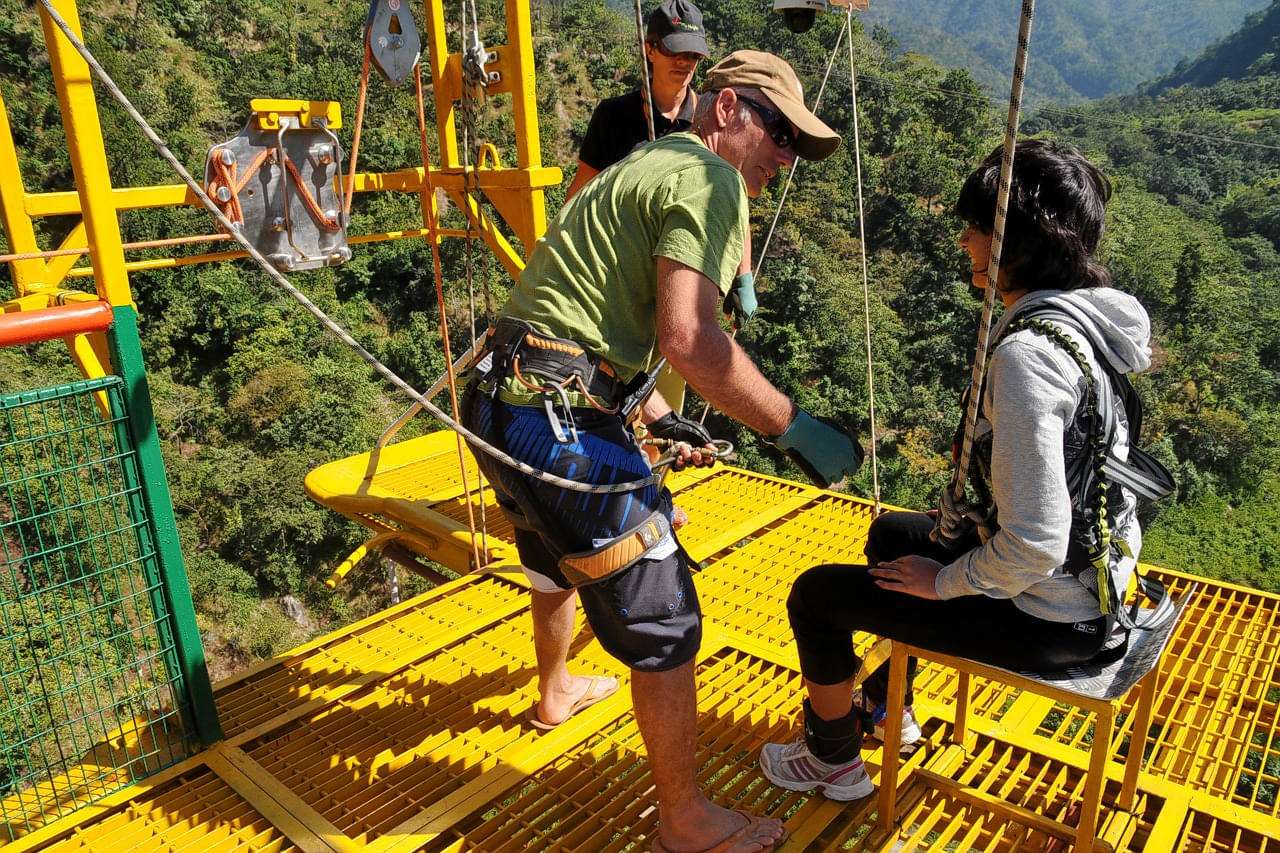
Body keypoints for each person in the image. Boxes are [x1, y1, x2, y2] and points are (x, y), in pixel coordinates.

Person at [461, 50, 860, 853]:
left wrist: (643, 411)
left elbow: (591, 313)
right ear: (726, 112)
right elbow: (689, 338)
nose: (784, 157)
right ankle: (685, 822)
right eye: (778, 132)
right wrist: (793, 426)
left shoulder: (643, 163)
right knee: (665, 611)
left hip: (499, 399)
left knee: (552, 546)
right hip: (557, 411)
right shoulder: (710, 183)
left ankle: (556, 689)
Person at [760, 139, 1156, 801]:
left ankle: (830, 759)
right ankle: (890, 710)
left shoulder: (1028, 355)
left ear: (1017, 242)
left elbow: (1034, 542)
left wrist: (945, 581)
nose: (965, 242)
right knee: (891, 535)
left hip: (1049, 617)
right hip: (1098, 588)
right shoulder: (1087, 326)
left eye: (976, 227)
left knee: (817, 595)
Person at [565, 0, 710, 201]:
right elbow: (579, 197)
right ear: (650, 50)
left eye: (693, 54)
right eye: (674, 50)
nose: (684, 61)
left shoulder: (710, 120)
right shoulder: (612, 116)